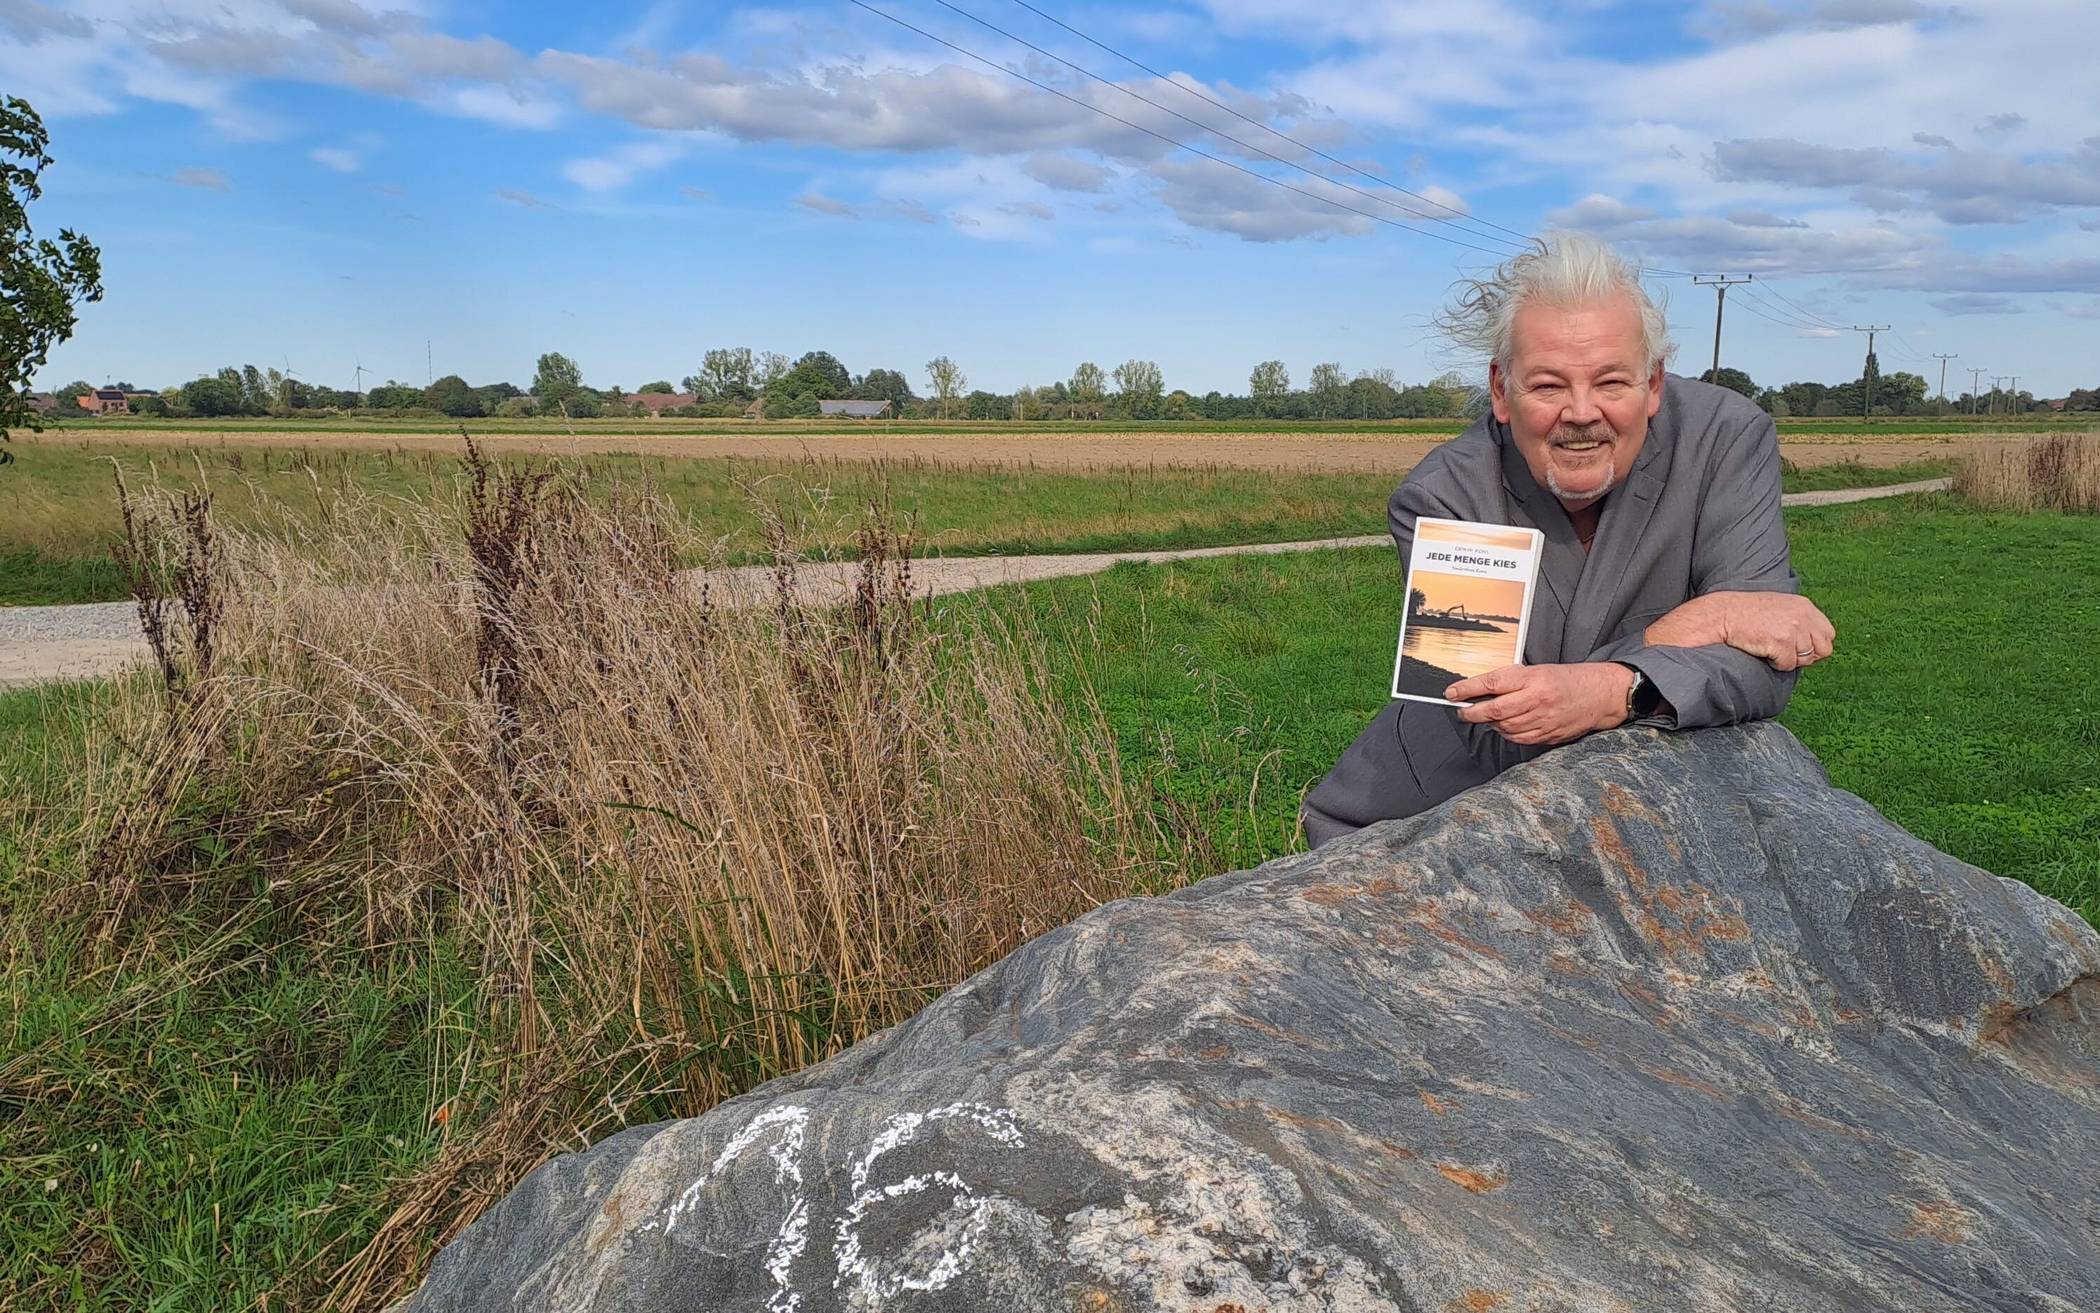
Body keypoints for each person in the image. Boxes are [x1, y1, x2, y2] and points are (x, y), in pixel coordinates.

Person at [1301, 233, 1836, 849]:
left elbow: (1767, 664)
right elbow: (1498, 720)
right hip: (1416, 822)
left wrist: (1610, 690)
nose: (1581, 413)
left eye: (1611, 382)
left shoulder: (1725, 438)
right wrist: (1697, 624)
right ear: (1502, 391)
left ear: (1655, 382)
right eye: (1549, 386)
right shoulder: (1444, 496)